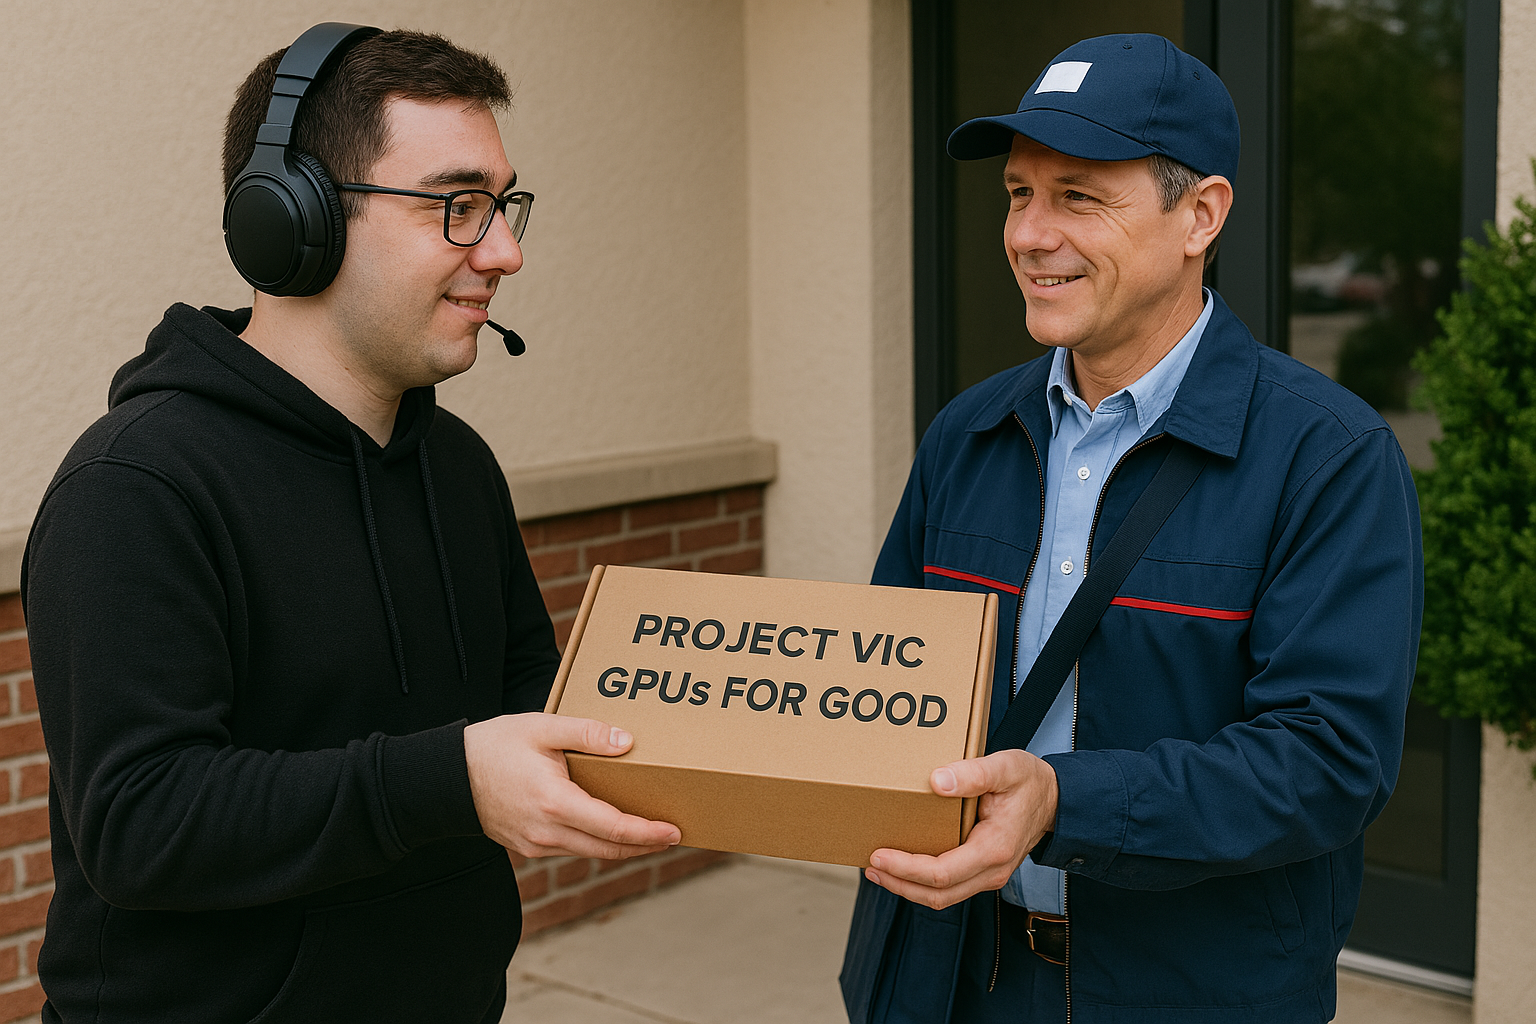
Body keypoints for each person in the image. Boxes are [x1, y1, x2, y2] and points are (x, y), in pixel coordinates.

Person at [21, 26, 679, 1024]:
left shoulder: (458, 468)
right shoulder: (135, 485)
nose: (504, 251)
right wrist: (447, 780)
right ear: (294, 218)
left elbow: (524, 695)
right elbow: (140, 823)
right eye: (458, 207)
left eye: (504, 207)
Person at [840, 34, 1422, 1023]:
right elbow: (883, 683)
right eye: (1020, 193)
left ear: (1201, 214)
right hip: (955, 975)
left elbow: (1328, 761)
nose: (1029, 232)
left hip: (1191, 988)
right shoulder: (967, 435)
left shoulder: (1326, 456)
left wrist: (1063, 800)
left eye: (1079, 196)